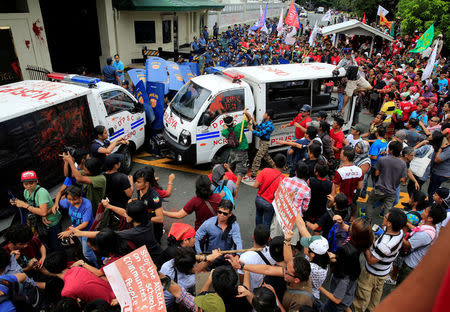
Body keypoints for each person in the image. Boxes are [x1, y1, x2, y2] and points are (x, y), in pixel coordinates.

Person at [353, 208, 407, 312]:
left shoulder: (385, 245)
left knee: (362, 295)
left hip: (372, 274)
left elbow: (371, 260)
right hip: (384, 272)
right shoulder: (399, 232)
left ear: (390, 224)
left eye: (386, 217)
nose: (384, 216)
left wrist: (365, 243)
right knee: (376, 294)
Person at [320, 218, 374, 312]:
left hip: (337, 304)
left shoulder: (343, 278)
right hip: (348, 297)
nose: (349, 227)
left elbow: (337, 300)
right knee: (346, 306)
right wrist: (337, 256)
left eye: (351, 227)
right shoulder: (361, 244)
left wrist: (318, 287)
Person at [10, 170, 63, 253]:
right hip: (42, 221)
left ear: (37, 181)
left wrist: (25, 205)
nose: (28, 186)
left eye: (31, 183)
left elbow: (43, 212)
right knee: (48, 243)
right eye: (25, 184)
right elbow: (33, 205)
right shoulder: (26, 192)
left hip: (52, 221)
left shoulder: (41, 192)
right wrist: (18, 202)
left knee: (56, 245)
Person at [397, 203, 447, 285]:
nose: (422, 211)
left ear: (430, 218)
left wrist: (398, 233)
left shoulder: (424, 235)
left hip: (411, 265)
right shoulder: (434, 226)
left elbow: (407, 244)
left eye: (425, 211)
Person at [43, 251, 116, 304]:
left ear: (51, 271)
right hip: (117, 290)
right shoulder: (78, 267)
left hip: (109, 305)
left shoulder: (66, 292)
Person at [366, 141, 407, 223]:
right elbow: (403, 179)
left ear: (391, 150)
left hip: (380, 188)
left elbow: (377, 173)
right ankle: (385, 226)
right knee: (387, 211)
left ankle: (368, 220)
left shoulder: (382, 159)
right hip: (392, 191)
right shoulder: (403, 163)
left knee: (370, 202)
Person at [55, 185, 96, 266]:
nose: (72, 202)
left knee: (87, 253)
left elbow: (85, 224)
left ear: (80, 196)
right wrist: (55, 205)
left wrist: (70, 231)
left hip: (87, 231)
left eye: (75, 199)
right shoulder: (67, 201)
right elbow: (59, 202)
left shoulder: (87, 204)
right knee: (86, 246)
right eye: (69, 199)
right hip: (77, 229)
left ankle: (95, 265)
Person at [221, 109, 252, 193]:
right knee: (240, 169)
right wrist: (246, 113)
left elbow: (224, 128)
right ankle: (236, 188)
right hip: (242, 151)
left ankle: (226, 183)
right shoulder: (239, 126)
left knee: (230, 166)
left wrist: (226, 123)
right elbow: (249, 119)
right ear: (233, 121)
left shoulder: (225, 132)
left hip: (233, 152)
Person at [237, 224, 275, 291]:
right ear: (269, 239)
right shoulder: (273, 253)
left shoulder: (244, 258)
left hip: (251, 292)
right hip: (268, 292)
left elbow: (242, 281)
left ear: (253, 237)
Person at [335, 49, 372, 116]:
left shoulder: (353, 59)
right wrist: (335, 70)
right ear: (345, 54)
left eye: (350, 53)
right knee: (348, 96)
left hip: (358, 77)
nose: (349, 55)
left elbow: (356, 66)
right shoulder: (343, 61)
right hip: (351, 80)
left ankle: (356, 90)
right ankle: (342, 109)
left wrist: (359, 68)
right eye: (347, 54)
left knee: (369, 87)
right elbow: (337, 67)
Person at [253, 154, 286, 227]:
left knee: (258, 216)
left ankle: (257, 234)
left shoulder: (265, 170)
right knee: (267, 222)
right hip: (270, 203)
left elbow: (255, 185)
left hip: (259, 199)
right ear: (284, 166)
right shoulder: (284, 179)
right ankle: (265, 236)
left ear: (274, 163)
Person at [102, 154, 133, 230]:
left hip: (108, 205)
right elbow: (129, 194)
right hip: (121, 208)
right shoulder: (122, 177)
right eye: (118, 162)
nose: (120, 163)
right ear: (115, 165)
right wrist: (131, 181)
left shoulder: (102, 175)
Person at [244, 109, 276, 182]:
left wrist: (251, 129)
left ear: (268, 116)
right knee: (266, 156)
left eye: (265, 113)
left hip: (265, 143)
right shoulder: (264, 121)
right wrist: (254, 121)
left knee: (257, 158)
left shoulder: (270, 126)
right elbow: (259, 128)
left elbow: (260, 133)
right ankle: (275, 166)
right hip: (262, 142)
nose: (263, 114)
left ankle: (253, 176)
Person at [331, 146, 363, 211]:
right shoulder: (359, 170)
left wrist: (331, 201)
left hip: (340, 199)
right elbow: (359, 187)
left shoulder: (340, 171)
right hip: (352, 197)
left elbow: (334, 187)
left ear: (345, 158)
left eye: (341, 153)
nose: (340, 154)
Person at [427, 128, 450, 198]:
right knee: (431, 191)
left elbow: (437, 159)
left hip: (441, 174)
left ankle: (431, 207)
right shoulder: (446, 145)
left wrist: (440, 149)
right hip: (438, 172)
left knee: (434, 194)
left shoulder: (448, 149)